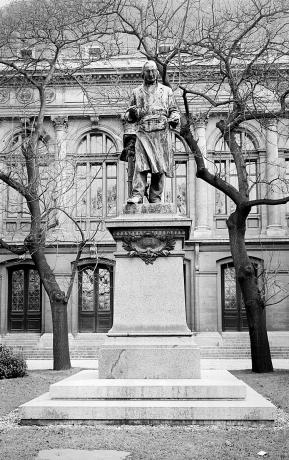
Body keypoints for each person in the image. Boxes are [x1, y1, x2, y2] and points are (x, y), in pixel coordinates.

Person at [124, 60, 180, 204]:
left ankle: (155, 196)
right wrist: (131, 114)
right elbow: (128, 116)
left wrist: (174, 117)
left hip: (161, 131)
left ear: (157, 72)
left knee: (160, 166)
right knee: (141, 164)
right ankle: (137, 193)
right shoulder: (136, 92)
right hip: (143, 131)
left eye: (153, 70)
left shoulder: (166, 91)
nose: (151, 74)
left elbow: (173, 110)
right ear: (143, 74)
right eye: (148, 71)